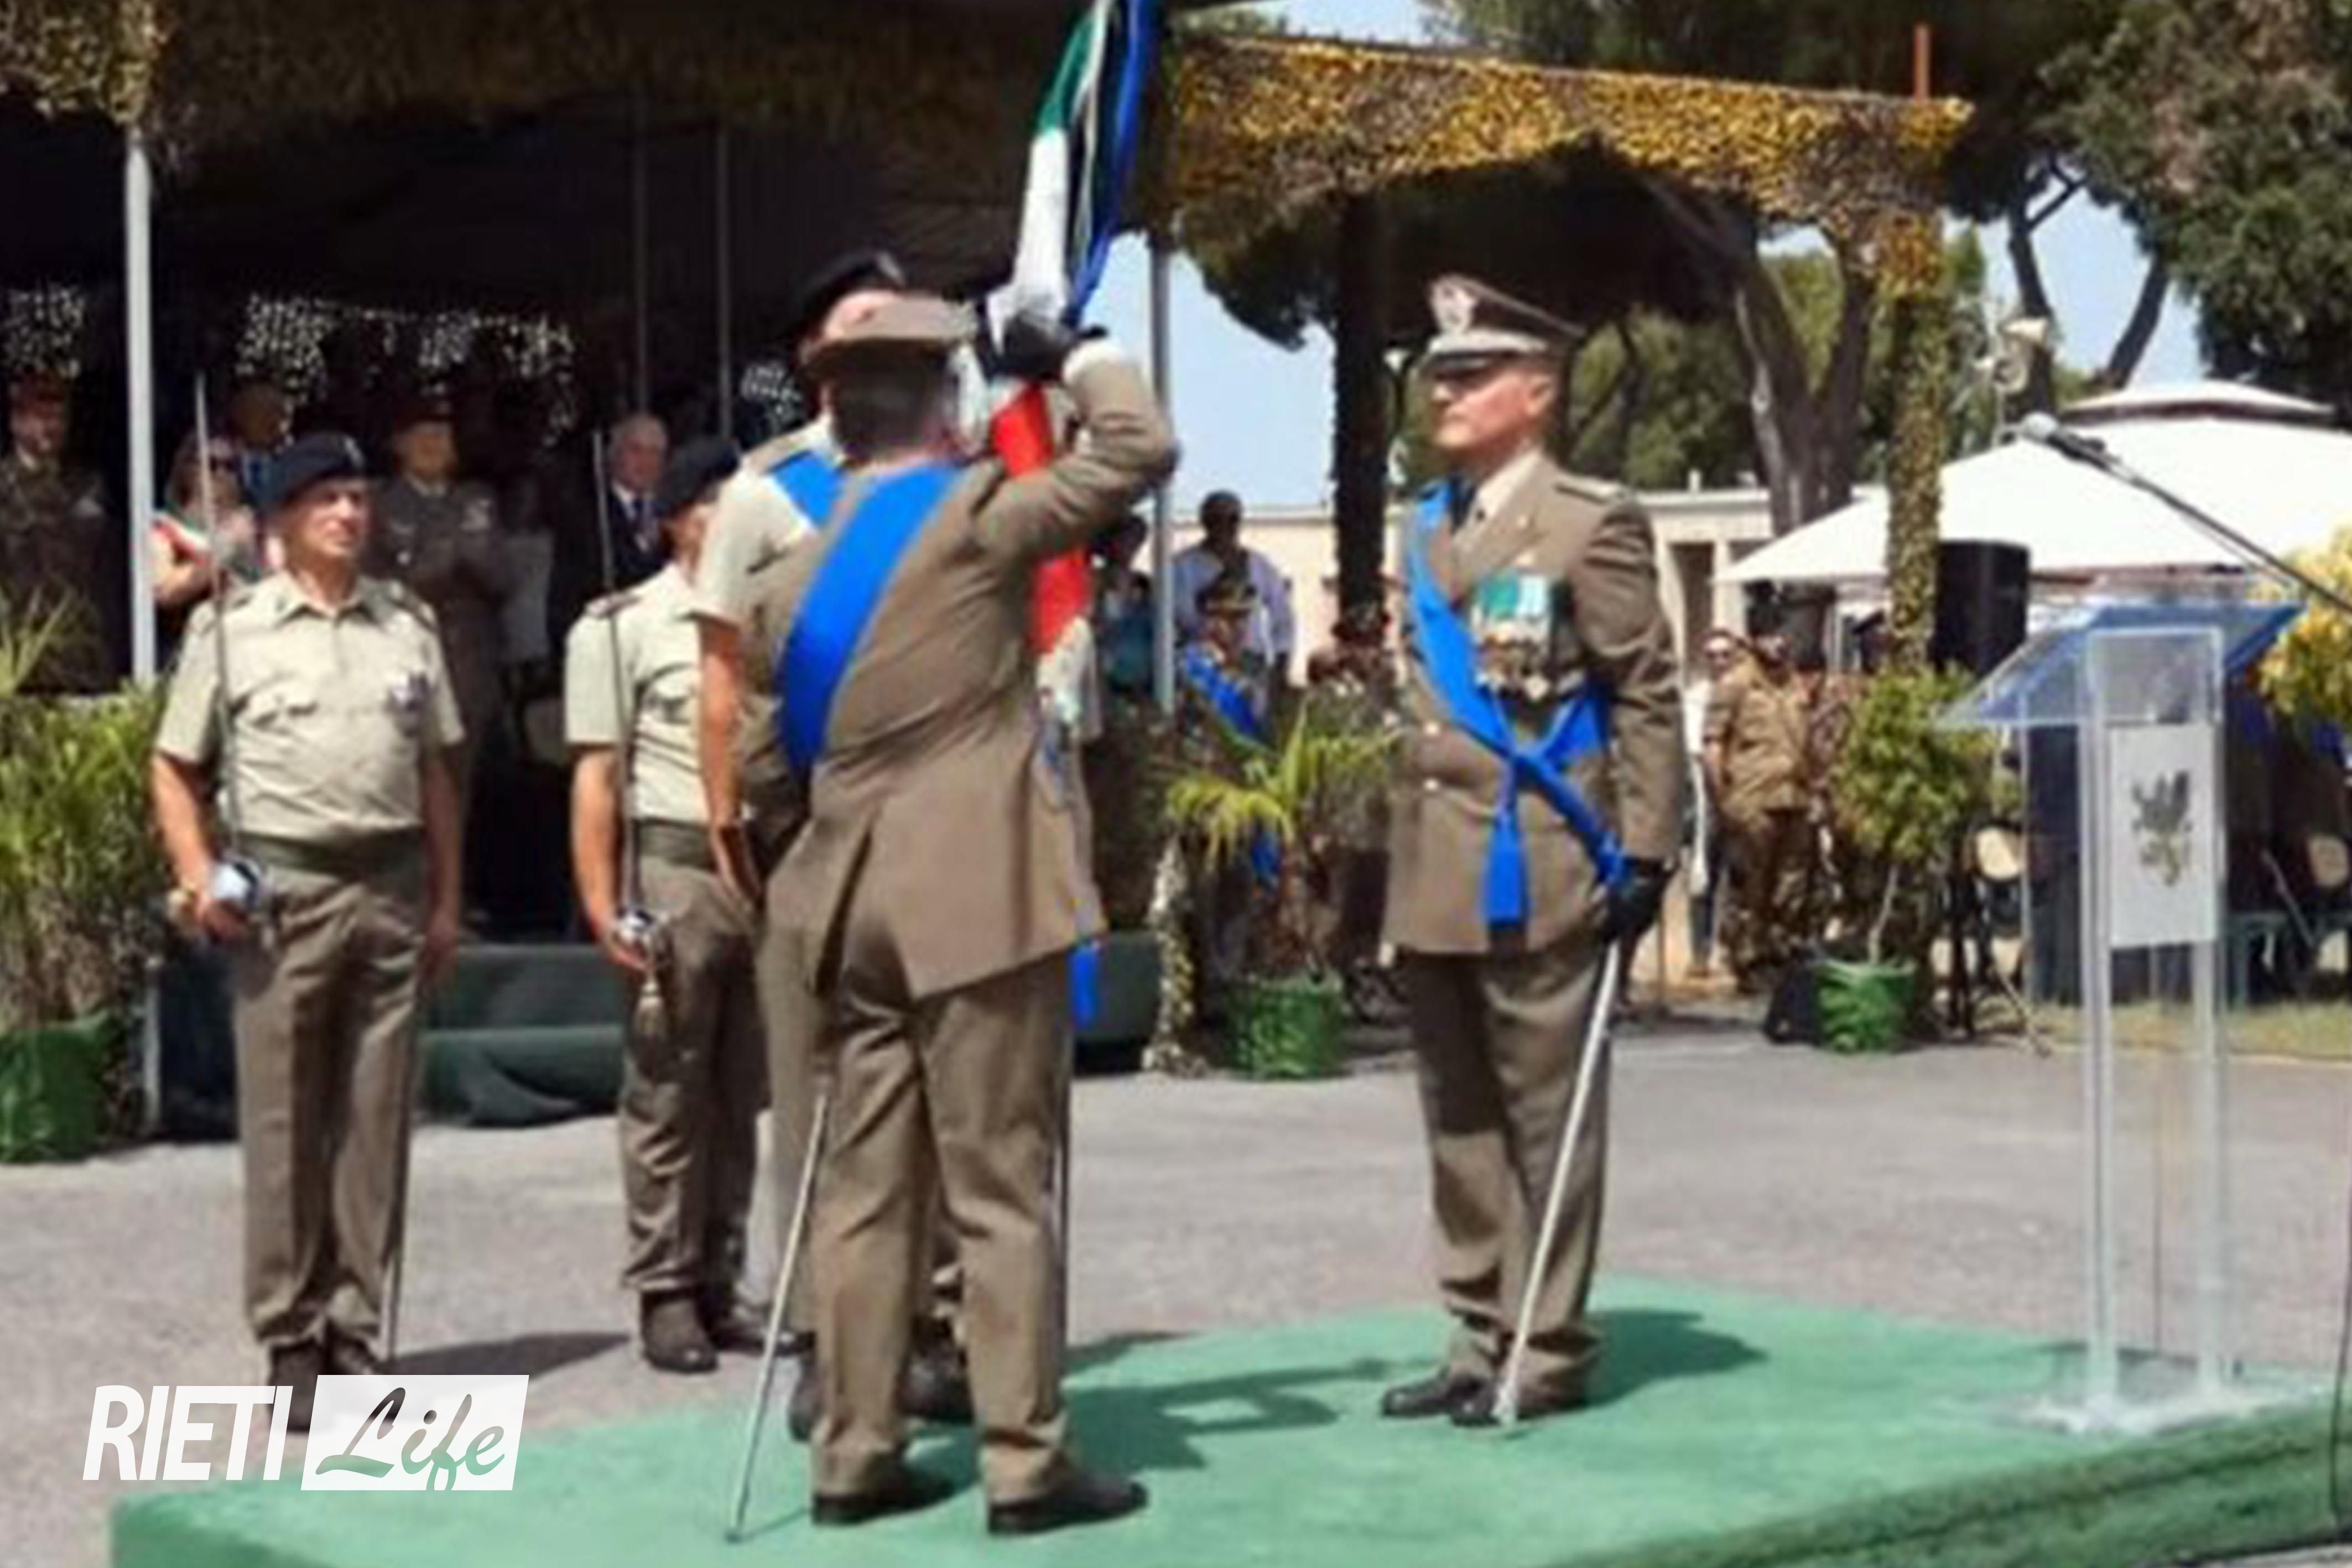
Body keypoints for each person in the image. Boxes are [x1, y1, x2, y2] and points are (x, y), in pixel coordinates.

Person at [764, 294, 1174, 1533]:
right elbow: (1139, 448)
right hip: (974, 899)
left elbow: (761, 767)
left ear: (838, 416)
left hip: (846, 904)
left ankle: (853, 1451)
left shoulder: (792, 574)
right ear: (945, 404)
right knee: (998, 1187)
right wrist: (1078, 356)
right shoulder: (974, 518)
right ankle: (1023, 1460)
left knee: (863, 1193)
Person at [1380, 275, 1681, 1429]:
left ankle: (1545, 1345)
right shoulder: (1425, 525)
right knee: (1456, 1114)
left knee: (1544, 1114)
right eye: (1439, 374)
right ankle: (1474, 1331)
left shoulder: (1586, 522)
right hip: (1434, 859)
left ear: (1537, 392)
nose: (1444, 393)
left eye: (1471, 374)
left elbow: (1641, 690)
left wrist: (1646, 847)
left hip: (1539, 852)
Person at [691, 248, 971, 1442]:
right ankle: (822, 1334)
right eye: (865, 320)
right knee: (815, 1094)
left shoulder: (957, 481)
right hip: (816, 828)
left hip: (946, 833)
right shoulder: (769, 492)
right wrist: (740, 825)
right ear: (819, 357)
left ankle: (932, 1325)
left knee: (951, 1091)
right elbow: (723, 677)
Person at [148, 433, 466, 1430]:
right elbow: (175, 766)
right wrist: (198, 874)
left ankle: (356, 1324)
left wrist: (447, 900)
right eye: (326, 499)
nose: (347, 513)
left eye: (357, 498)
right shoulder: (233, 631)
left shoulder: (406, 625)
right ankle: (291, 1334)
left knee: (376, 1117)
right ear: (282, 519)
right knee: (285, 1117)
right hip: (284, 890)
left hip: (391, 884)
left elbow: (436, 771)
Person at [565, 437, 767, 1373]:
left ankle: (723, 1274)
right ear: (681, 520)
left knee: (740, 1090)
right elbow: (597, 776)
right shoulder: (626, 626)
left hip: (761, 867)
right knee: (667, 1089)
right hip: (677, 863)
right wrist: (603, 903)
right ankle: (666, 1286)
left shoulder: (770, 613)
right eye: (717, 504)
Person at [367, 392, 516, 817]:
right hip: (403, 658)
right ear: (400, 444)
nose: (434, 443)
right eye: (423, 434)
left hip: (468, 665)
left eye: (442, 434)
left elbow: (501, 578)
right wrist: (451, 555)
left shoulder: (476, 499)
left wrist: (454, 558)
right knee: (402, 783)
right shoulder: (380, 504)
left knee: (457, 787)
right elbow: (382, 585)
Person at [1705, 621, 1814, 991]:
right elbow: (1714, 745)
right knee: (1750, 886)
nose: (1779, 643)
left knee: (1790, 885)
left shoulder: (1796, 684)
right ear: (1755, 640)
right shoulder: (1735, 684)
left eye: (1783, 635)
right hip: (1751, 799)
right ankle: (1746, 959)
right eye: (1771, 636)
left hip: (1794, 797)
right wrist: (1722, 799)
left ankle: (1779, 954)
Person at [0, 370, 121, 691]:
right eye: (41, 416)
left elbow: (105, 575)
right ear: (16, 421)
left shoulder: (87, 485)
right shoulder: (5, 488)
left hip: (81, 658)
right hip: (20, 657)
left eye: (59, 417)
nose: (51, 427)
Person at [152, 428, 269, 660]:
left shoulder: (254, 527)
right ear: (187, 470)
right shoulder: (164, 529)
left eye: (231, 467)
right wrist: (224, 549)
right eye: (212, 465)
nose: (221, 475)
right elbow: (164, 591)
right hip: (193, 654)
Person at [1169, 490, 1295, 684]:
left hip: (1251, 663)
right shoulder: (1182, 566)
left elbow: (1283, 616)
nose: (1224, 526)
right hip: (1203, 664)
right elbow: (1179, 618)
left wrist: (1281, 662)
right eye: (1216, 519)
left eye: (1232, 519)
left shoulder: (1259, 565)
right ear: (1204, 522)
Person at [1682, 628, 1745, 979]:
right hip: (1705, 794)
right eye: (1712, 655)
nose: (1719, 662)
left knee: (1739, 876)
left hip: (1745, 791)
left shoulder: (1746, 693)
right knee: (1702, 873)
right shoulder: (1695, 698)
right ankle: (1700, 952)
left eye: (1725, 654)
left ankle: (1730, 949)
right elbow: (1697, 752)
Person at [226, 378, 293, 506]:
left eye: (284, 418)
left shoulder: (292, 457)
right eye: (268, 418)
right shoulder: (222, 456)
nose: (282, 427)